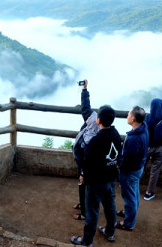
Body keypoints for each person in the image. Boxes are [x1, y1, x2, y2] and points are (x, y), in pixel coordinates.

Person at [70, 105, 122, 246]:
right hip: (111, 179)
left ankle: (87, 241)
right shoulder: (116, 135)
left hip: (96, 182)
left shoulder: (95, 141)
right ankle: (110, 232)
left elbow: (88, 163)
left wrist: (83, 175)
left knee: (92, 211)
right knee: (110, 206)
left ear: (98, 120)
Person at [116, 106, 149, 231]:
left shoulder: (134, 138)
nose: (127, 116)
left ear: (134, 118)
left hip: (130, 171)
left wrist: (119, 164)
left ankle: (128, 223)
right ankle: (129, 213)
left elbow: (127, 161)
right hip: (138, 168)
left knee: (129, 196)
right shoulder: (143, 128)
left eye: (129, 114)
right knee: (134, 192)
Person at [71, 79, 100, 221]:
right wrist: (84, 90)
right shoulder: (91, 125)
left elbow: (89, 158)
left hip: (86, 167)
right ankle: (83, 204)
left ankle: (84, 212)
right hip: (82, 164)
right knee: (83, 186)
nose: (87, 117)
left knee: (85, 186)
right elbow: (86, 108)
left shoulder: (92, 141)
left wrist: (83, 171)